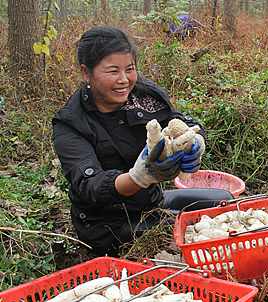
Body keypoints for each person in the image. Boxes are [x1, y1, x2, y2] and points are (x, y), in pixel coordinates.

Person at [52, 26, 230, 257]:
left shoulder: (143, 95)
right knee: (190, 237)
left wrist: (193, 141)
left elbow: (176, 119)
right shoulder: (70, 124)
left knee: (224, 204)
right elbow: (91, 187)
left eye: (130, 69)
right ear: (87, 73)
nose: (124, 80)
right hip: (108, 224)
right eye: (113, 71)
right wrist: (139, 177)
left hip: (151, 202)